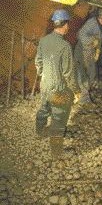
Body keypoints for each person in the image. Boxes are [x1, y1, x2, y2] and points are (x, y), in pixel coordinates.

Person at [35, 9, 79, 159]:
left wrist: (44, 76)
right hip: (58, 90)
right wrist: (76, 90)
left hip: (45, 85)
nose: (68, 27)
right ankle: (56, 153)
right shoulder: (65, 46)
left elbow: (38, 62)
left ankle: (40, 131)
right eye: (68, 24)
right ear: (65, 25)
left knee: (44, 108)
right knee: (59, 118)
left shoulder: (43, 40)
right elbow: (68, 73)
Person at [74, 8, 102, 105]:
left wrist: (97, 51)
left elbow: (99, 40)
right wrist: (92, 40)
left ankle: (85, 94)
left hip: (90, 51)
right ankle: (83, 98)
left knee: (92, 72)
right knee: (84, 73)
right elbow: (80, 35)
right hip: (83, 50)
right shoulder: (92, 23)